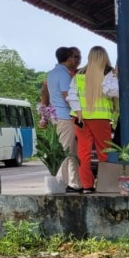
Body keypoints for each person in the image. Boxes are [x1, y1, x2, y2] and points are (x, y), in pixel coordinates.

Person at [71, 46, 119, 193]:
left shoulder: (79, 75)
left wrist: (79, 111)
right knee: (104, 152)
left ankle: (87, 186)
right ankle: (105, 184)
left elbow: (72, 96)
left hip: (80, 118)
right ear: (104, 57)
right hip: (100, 118)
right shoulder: (108, 73)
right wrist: (116, 77)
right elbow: (113, 92)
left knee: (83, 152)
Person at [42, 46, 83, 192]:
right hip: (65, 116)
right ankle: (63, 183)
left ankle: (75, 182)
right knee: (66, 151)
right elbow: (68, 96)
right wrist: (79, 112)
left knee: (71, 150)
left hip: (56, 116)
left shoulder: (52, 73)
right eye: (74, 57)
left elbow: (45, 95)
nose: (76, 60)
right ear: (69, 58)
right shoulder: (64, 75)